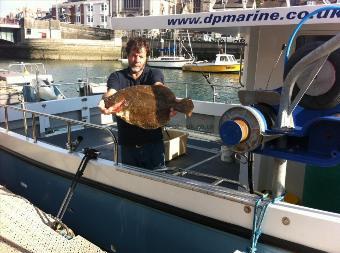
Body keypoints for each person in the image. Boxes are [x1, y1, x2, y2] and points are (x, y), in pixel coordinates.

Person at [98, 37, 174, 170]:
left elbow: (158, 86)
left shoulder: (154, 73)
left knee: (157, 181)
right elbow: (111, 92)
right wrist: (105, 102)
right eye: (133, 55)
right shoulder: (116, 76)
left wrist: (172, 103)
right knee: (132, 182)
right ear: (127, 55)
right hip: (128, 144)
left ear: (146, 58)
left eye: (141, 56)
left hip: (153, 143)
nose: (137, 60)